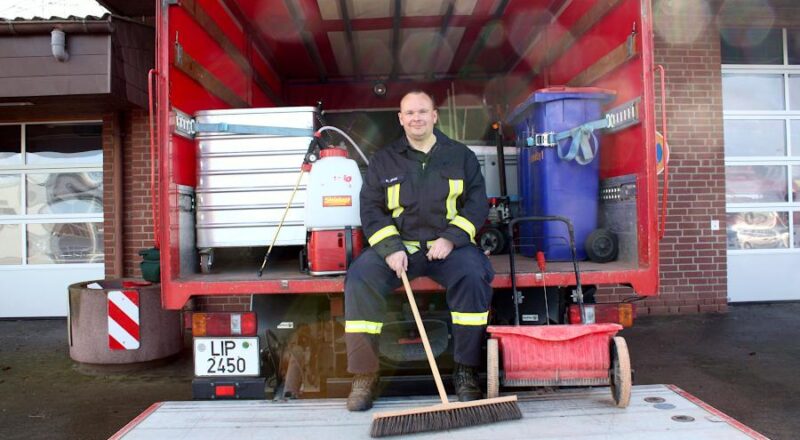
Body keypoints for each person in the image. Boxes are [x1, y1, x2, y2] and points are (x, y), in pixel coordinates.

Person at [344, 90, 494, 411]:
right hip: (401, 250)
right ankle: (364, 376)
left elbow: (478, 203)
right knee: (360, 277)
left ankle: (466, 371)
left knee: (474, 274)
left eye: (422, 111)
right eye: (409, 113)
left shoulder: (460, 156)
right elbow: (371, 209)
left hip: (448, 248)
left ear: (435, 115)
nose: (416, 118)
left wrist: (452, 238)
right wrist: (389, 248)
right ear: (400, 119)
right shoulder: (384, 160)